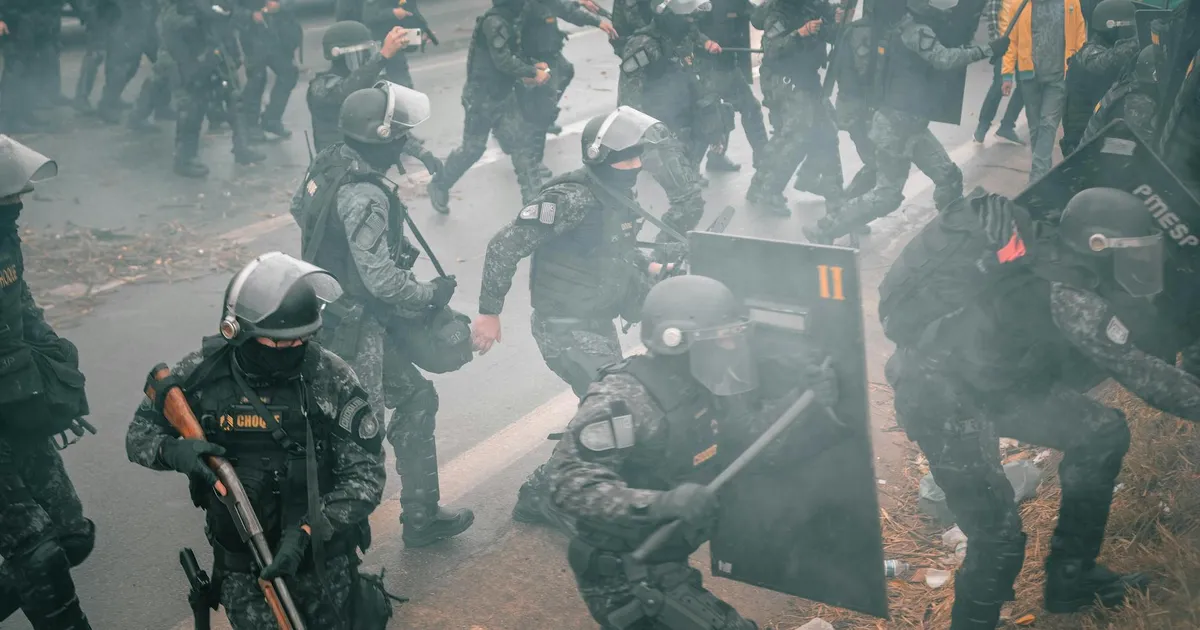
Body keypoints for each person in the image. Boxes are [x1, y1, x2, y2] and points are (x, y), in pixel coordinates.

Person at [879, 187, 1200, 628]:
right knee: (997, 537)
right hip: (941, 399)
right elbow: (1147, 377)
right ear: (1098, 244)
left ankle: (1072, 578)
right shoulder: (1065, 289)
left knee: (1099, 432)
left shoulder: (1050, 247)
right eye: (1130, 250)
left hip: (990, 381)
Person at [546, 274, 839, 630]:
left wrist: (804, 399)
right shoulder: (625, 398)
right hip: (623, 575)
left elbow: (751, 440)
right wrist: (659, 503)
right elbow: (567, 484)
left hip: (667, 559)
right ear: (679, 341)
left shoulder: (707, 383)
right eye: (722, 337)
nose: (732, 346)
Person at [126, 252, 388, 628]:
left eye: (301, 341)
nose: (292, 350)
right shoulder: (200, 374)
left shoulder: (330, 376)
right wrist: (174, 451)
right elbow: (139, 436)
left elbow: (367, 476)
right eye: (279, 343)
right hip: (244, 573)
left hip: (322, 565)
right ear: (240, 332)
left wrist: (311, 529)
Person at [291, 82, 474, 547]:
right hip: (354, 328)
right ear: (381, 139)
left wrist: (340, 253)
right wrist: (431, 294)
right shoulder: (364, 194)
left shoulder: (331, 160)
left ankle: (422, 516)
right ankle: (329, 544)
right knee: (360, 439)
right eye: (400, 136)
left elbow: (300, 209)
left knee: (416, 398)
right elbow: (384, 282)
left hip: (332, 309)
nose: (404, 143)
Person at [471, 106, 668, 528]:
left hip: (595, 321)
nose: (635, 166)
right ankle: (544, 494)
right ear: (602, 158)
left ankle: (584, 481)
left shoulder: (614, 194)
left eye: (639, 156)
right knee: (612, 409)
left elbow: (612, 249)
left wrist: (651, 267)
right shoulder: (571, 198)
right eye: (626, 158)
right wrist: (489, 312)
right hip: (563, 327)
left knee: (607, 407)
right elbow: (504, 245)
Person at [804, 0, 1006, 244]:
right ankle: (825, 229)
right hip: (896, 128)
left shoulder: (909, 26)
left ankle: (951, 233)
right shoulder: (915, 30)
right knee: (887, 196)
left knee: (948, 177)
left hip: (913, 125)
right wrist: (988, 50)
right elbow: (944, 59)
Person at [0, 137, 96, 630]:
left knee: (71, 536)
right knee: (37, 553)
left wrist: (55, 393)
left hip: (14, 405)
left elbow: (22, 313)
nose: (19, 202)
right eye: (8, 196)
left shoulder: (4, 239)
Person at [426, 0, 549, 213]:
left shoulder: (509, 19)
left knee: (523, 146)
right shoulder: (495, 22)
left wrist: (532, 64)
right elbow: (503, 61)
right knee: (472, 149)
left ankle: (535, 206)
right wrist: (531, 72)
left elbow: (513, 53)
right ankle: (440, 184)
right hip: (481, 99)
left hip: (503, 95)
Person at [618, 0, 719, 233]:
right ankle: (667, 250)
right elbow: (629, 103)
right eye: (687, 16)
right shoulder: (644, 44)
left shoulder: (682, 38)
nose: (692, 21)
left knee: (690, 202)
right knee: (689, 203)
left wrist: (712, 125)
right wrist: (646, 143)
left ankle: (674, 247)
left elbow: (692, 81)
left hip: (686, 132)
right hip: (659, 137)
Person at [307, 21, 444, 183]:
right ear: (339, 55)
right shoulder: (321, 88)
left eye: (368, 53)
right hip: (334, 174)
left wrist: (421, 153)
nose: (366, 59)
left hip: (364, 171)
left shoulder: (367, 82)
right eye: (360, 54)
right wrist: (382, 57)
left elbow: (389, 128)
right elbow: (347, 92)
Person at [745, 0, 843, 217]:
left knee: (826, 132)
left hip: (807, 77)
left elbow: (830, 34)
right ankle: (769, 190)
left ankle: (834, 198)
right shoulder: (780, 10)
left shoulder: (813, 5)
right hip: (783, 78)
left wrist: (839, 19)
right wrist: (800, 33)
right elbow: (772, 49)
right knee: (797, 134)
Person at [159, 0, 265, 177]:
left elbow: (225, 19)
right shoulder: (179, 9)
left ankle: (242, 147)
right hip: (189, 57)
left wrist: (232, 51)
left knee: (235, 99)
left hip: (215, 51)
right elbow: (172, 27)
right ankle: (184, 159)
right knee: (192, 108)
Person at [517, 0, 618, 168]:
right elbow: (564, 9)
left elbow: (566, 9)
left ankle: (540, 117)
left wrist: (597, 21)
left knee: (565, 72)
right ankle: (533, 160)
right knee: (542, 107)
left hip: (549, 53)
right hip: (536, 57)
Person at [1000, 0, 1087, 182]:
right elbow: (1010, 41)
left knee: (1048, 124)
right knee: (1035, 128)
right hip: (1029, 76)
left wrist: (1080, 69)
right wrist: (1007, 74)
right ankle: (1042, 175)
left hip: (1059, 76)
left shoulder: (1070, 3)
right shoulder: (1018, 4)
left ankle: (1037, 178)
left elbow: (1080, 37)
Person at [1060, 0, 1139, 155]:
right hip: (1082, 147)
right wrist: (1139, 41)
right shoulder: (1089, 54)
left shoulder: (1106, 49)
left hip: (1099, 142)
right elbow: (1109, 62)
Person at [696, 0, 765, 172]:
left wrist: (768, 6)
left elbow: (757, 17)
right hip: (706, 66)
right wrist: (705, 42)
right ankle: (689, 170)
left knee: (744, 109)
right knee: (713, 115)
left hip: (728, 64)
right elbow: (685, 26)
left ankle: (764, 160)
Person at [238, 0, 302, 142]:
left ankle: (272, 119)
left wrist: (280, 6)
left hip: (278, 33)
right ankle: (251, 125)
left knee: (289, 73)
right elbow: (230, 8)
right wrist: (250, 15)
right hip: (253, 35)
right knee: (257, 79)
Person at [0, 1, 64, 131]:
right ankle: (9, 118)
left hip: (32, 17)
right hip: (14, 19)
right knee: (15, 68)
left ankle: (25, 113)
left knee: (29, 67)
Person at [1079, 44, 1159, 144]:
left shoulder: (1126, 85)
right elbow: (1141, 146)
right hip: (1097, 149)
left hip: (1093, 145)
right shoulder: (1137, 101)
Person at [973, 0, 1026, 144]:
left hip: (1024, 44)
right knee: (999, 84)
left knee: (1025, 85)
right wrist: (997, 44)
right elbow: (992, 15)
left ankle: (1007, 127)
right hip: (1005, 43)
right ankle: (982, 126)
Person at [362, 0, 436, 88]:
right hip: (382, 45)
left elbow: (412, 12)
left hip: (398, 45)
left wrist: (423, 31)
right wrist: (393, 13)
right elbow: (369, 16)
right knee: (396, 82)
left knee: (404, 84)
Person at [69, 0, 119, 114]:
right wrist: (88, 12)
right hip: (98, 11)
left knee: (115, 53)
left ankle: (112, 96)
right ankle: (81, 97)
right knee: (95, 54)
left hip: (112, 10)